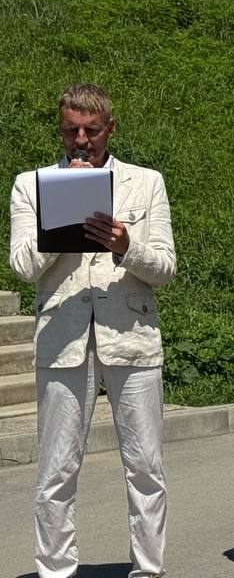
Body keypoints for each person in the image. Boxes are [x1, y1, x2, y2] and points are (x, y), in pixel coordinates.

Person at [8, 83, 176, 578]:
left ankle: (148, 569)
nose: (81, 141)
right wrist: (61, 220)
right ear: (60, 129)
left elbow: (165, 267)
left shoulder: (146, 182)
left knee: (145, 466)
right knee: (57, 468)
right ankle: (55, 571)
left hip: (132, 336)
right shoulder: (30, 184)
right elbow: (22, 267)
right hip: (62, 337)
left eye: (92, 131)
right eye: (70, 131)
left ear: (110, 128)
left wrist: (127, 246)